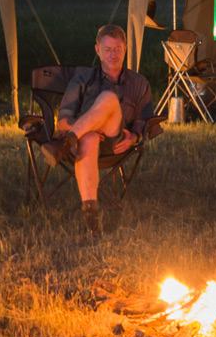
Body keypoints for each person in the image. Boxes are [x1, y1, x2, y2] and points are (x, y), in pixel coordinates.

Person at [54, 24, 153, 232]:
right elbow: (62, 121)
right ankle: (91, 218)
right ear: (97, 50)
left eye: (117, 49)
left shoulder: (139, 83)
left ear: (125, 49)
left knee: (108, 98)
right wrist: (85, 128)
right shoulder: (82, 80)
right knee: (89, 137)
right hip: (82, 144)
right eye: (107, 49)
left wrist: (134, 138)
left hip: (114, 143)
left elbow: (143, 123)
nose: (113, 55)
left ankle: (64, 142)